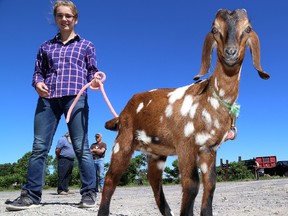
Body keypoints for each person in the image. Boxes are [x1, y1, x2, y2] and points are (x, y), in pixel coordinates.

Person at [5, 0, 98, 211]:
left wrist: (95, 80)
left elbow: (92, 70)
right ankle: (30, 195)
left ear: (75, 18)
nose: (64, 19)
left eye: (68, 16)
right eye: (60, 15)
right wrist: (37, 83)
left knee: (81, 146)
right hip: (48, 99)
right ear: (55, 19)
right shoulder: (45, 47)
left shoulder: (86, 45)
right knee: (39, 147)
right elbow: (38, 72)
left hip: (76, 97)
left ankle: (89, 193)